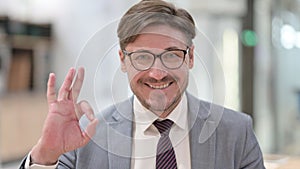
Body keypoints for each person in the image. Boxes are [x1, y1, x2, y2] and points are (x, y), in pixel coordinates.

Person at [19, 0, 265, 168]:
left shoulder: (236, 132)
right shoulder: (87, 136)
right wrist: (46, 154)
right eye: (142, 57)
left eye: (171, 55)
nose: (157, 73)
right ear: (123, 60)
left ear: (189, 57)